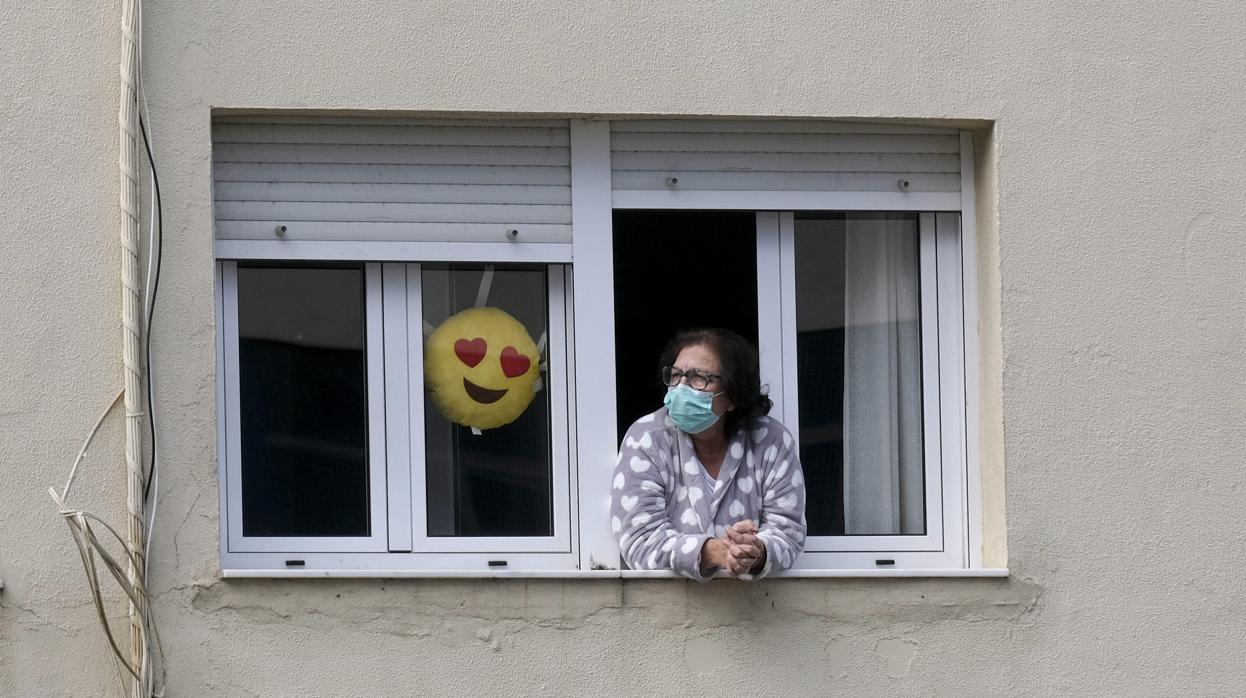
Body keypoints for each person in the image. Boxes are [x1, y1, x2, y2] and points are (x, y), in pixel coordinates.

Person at [611, 328, 806, 580]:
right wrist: (715, 551)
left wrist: (757, 552)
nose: (681, 387)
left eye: (698, 378)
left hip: (754, 609)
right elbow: (639, 539)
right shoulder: (647, 437)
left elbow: (788, 532)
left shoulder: (770, 441)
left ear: (732, 396)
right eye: (676, 375)